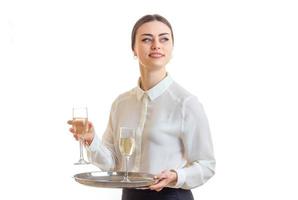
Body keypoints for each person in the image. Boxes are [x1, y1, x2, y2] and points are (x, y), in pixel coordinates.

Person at [68, 14, 215, 200]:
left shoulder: (186, 103)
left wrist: (177, 176)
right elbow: (111, 164)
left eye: (164, 39)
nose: (156, 45)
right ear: (134, 49)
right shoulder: (121, 103)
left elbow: (207, 165)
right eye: (147, 39)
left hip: (171, 195)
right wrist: (91, 140)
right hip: (129, 195)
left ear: (171, 48)